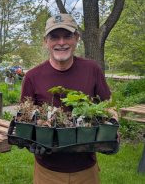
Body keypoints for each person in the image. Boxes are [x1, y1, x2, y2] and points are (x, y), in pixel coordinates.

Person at [20, 13, 118, 184]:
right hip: (47, 170)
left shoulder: (92, 69)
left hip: (86, 168)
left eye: (67, 36)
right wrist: (30, 140)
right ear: (46, 42)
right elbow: (25, 117)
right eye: (54, 37)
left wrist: (111, 131)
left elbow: (108, 108)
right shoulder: (32, 76)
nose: (61, 42)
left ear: (77, 38)